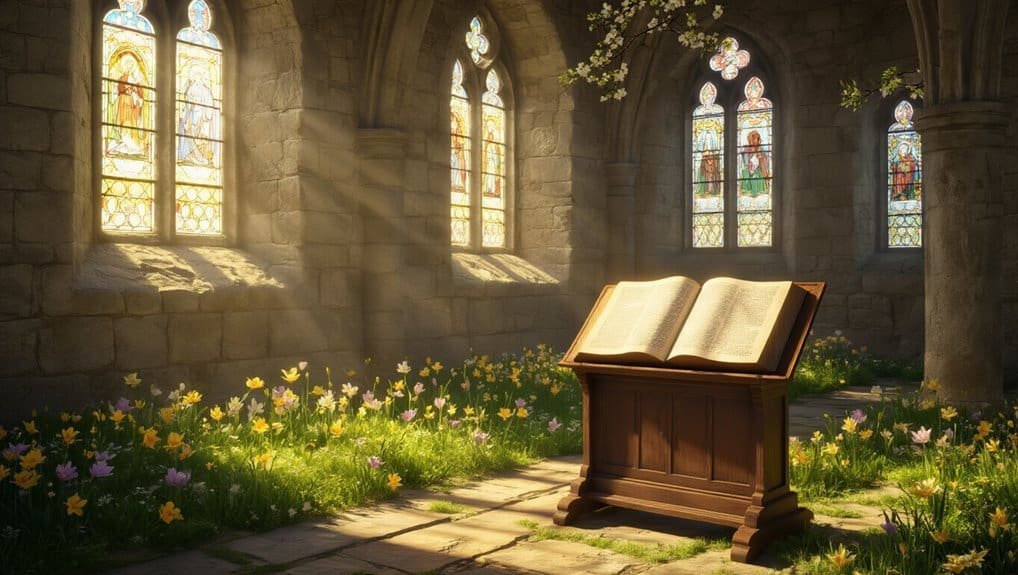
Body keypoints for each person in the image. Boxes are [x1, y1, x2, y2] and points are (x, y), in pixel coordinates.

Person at [740, 129, 770, 196]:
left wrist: (760, 156)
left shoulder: (761, 148)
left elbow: (765, 160)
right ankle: (748, 189)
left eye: (758, 139)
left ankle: (760, 189)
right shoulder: (746, 149)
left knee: (758, 173)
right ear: (751, 140)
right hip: (749, 168)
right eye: (756, 139)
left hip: (759, 168)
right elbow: (745, 161)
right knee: (745, 172)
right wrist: (750, 163)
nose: (757, 141)